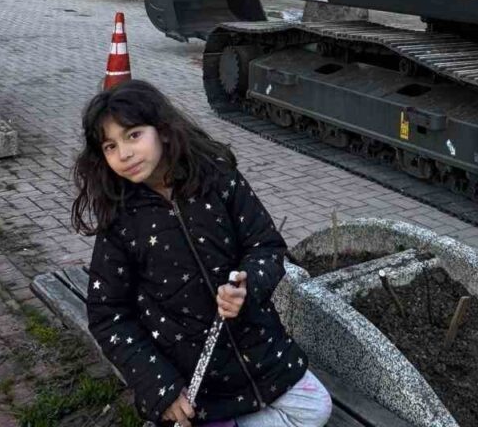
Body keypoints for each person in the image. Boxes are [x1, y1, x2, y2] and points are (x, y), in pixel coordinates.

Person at [73, 81, 332, 427]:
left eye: (133, 135)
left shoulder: (217, 178)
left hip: (259, 350)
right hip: (190, 376)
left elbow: (265, 245)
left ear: (163, 130)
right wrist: (160, 388)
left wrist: (248, 285)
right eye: (110, 146)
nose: (124, 154)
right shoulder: (121, 221)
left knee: (317, 408)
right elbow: (108, 314)